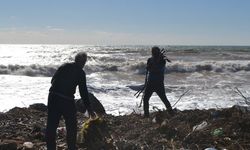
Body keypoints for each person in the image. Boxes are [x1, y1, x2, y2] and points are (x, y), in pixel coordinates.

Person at [45, 52, 95, 150]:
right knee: (71, 127)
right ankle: (71, 148)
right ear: (83, 62)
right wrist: (89, 109)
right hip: (66, 100)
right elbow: (83, 92)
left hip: (53, 97)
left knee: (51, 126)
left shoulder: (64, 66)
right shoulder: (80, 72)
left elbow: (52, 81)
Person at [143, 46, 173, 117]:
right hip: (150, 83)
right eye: (153, 52)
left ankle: (171, 113)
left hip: (158, 83)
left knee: (164, 99)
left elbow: (158, 69)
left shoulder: (162, 60)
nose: (154, 53)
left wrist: (153, 64)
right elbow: (148, 69)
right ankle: (146, 115)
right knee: (145, 99)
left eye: (155, 52)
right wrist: (150, 66)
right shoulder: (150, 60)